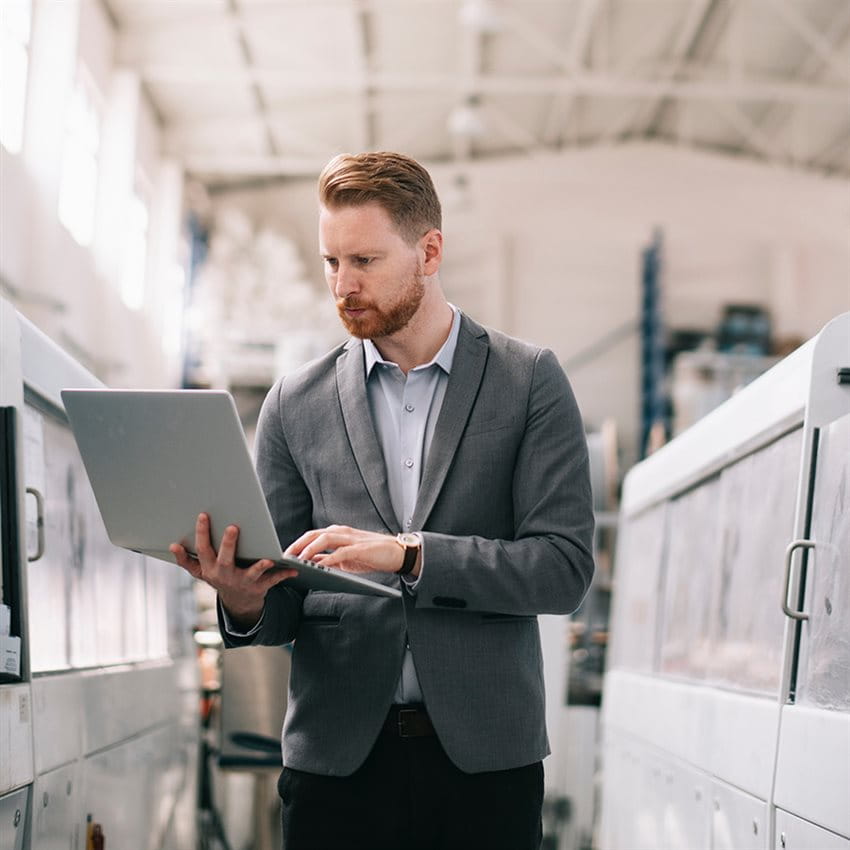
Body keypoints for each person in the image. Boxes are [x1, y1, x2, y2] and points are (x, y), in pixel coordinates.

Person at [171, 151, 595, 850]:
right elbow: (279, 607)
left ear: (429, 252)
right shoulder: (292, 405)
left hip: (485, 767)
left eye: (364, 260)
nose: (343, 285)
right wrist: (240, 596)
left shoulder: (528, 384)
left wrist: (410, 557)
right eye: (331, 262)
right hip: (336, 769)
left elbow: (563, 569)